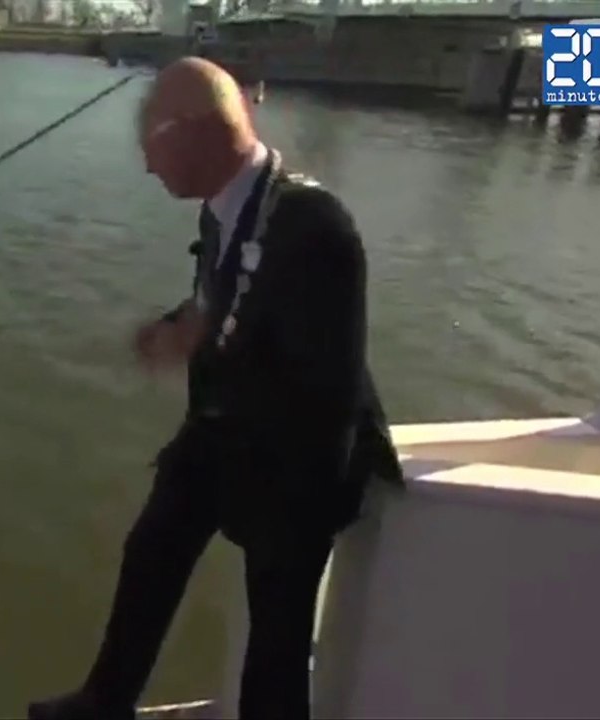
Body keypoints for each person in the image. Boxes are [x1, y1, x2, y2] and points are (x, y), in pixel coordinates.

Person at [27, 58, 403, 720]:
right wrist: (177, 326)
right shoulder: (223, 213)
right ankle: (104, 702)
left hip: (298, 460)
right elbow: (222, 295)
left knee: (277, 634)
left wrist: (285, 516)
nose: (147, 164)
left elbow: (329, 387)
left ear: (196, 131)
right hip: (222, 430)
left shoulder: (315, 224)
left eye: (151, 142)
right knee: (152, 552)